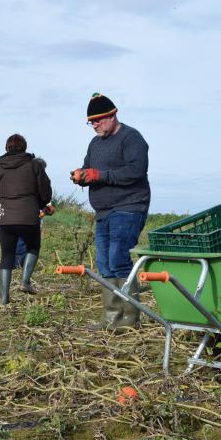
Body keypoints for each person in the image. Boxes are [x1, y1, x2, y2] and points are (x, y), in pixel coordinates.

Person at [71, 92, 150, 330]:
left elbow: (136, 171)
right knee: (104, 263)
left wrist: (100, 175)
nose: (94, 125)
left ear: (113, 115)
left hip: (128, 206)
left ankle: (130, 320)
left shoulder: (131, 138)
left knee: (118, 259)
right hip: (104, 210)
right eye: (91, 121)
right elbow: (89, 169)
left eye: (98, 119)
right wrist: (82, 176)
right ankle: (111, 319)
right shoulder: (95, 144)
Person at [0, 133, 53, 305]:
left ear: (6, 148)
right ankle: (25, 281)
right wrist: (39, 203)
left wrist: (4, 202)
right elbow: (45, 192)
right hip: (29, 215)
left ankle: (4, 298)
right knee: (33, 246)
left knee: (7, 255)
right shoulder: (34, 165)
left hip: (4, 217)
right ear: (24, 147)